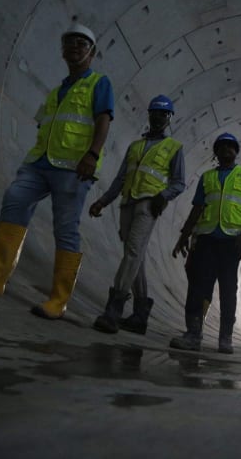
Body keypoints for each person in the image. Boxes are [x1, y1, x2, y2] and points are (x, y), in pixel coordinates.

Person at [0, 22, 114, 321]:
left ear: (92, 52)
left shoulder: (99, 83)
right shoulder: (57, 91)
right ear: (63, 51)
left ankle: (58, 301)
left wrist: (92, 154)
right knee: (14, 201)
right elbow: (44, 125)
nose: (75, 47)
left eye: (82, 43)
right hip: (39, 163)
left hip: (74, 168)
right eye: (70, 43)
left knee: (65, 228)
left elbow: (103, 119)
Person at [88, 95, 185, 334]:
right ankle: (140, 315)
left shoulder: (174, 148)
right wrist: (102, 201)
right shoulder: (135, 146)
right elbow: (121, 178)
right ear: (149, 115)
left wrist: (163, 196)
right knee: (135, 255)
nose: (158, 117)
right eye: (155, 112)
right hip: (127, 203)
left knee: (132, 252)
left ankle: (113, 310)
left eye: (164, 113)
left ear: (169, 118)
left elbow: (179, 182)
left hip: (148, 205)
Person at [170, 132, 241, 354]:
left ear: (236, 151)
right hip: (206, 240)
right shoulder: (207, 177)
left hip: (232, 242)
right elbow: (197, 208)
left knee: (228, 289)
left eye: (231, 146)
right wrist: (184, 236)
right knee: (198, 288)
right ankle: (193, 334)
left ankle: (225, 338)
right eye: (221, 147)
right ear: (216, 152)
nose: (226, 150)